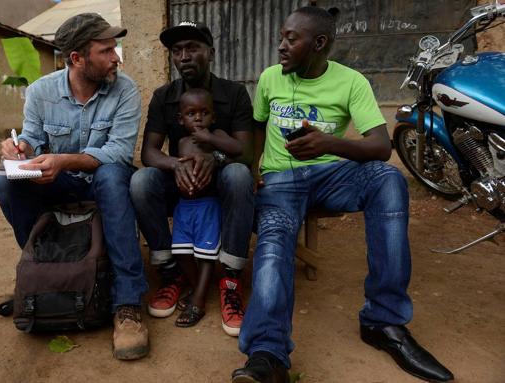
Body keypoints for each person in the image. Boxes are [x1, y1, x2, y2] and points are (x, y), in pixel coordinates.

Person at [232, 7, 454, 383]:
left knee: (387, 180)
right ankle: (267, 353)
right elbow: (257, 125)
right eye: (281, 37)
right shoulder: (270, 78)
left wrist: (328, 144)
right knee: (273, 245)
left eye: (291, 39)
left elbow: (382, 146)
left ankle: (384, 323)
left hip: (330, 174)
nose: (281, 46)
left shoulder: (352, 82)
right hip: (280, 182)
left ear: (319, 44)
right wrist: (253, 172)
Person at [0, 13, 149, 361]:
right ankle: (42, 275)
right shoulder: (40, 92)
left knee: (111, 173)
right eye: (106, 51)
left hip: (103, 184)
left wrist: (63, 160)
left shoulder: (124, 90)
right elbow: (32, 138)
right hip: (57, 183)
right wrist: (21, 151)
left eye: (115, 49)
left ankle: (127, 303)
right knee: (5, 182)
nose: (116, 58)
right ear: (77, 59)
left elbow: (119, 153)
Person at [130, 21, 254, 337]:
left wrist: (219, 158)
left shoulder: (234, 93)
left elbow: (246, 153)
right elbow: (150, 153)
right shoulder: (164, 96)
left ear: (210, 52)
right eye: (177, 50)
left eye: (193, 48)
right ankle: (171, 273)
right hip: (181, 183)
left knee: (240, 175)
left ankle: (230, 278)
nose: (184, 56)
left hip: (221, 180)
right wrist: (175, 165)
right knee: (142, 182)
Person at [171, 88, 242, 328]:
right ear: (181, 119)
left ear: (213, 117)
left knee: (205, 256)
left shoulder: (217, 135)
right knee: (181, 252)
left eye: (204, 113)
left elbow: (238, 149)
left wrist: (212, 141)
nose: (198, 118)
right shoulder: (180, 142)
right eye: (191, 113)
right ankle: (197, 286)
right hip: (184, 206)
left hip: (208, 206)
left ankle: (198, 302)